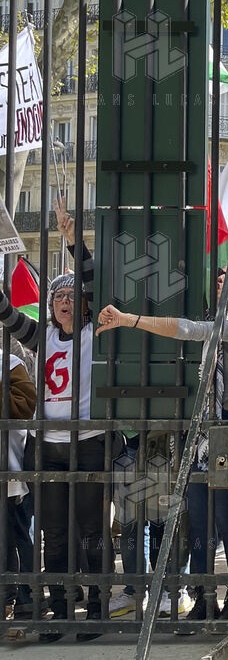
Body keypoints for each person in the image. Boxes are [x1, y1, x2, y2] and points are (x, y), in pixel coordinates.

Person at [94, 266, 228, 623]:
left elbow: (189, 330)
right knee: (199, 520)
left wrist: (129, 319)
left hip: (227, 428)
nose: (221, 282)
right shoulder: (214, 316)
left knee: (227, 520)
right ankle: (204, 597)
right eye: (216, 278)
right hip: (198, 432)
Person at [0, 200, 105, 642]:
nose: (64, 301)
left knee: (92, 531)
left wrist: (74, 242)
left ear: (84, 305)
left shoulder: (95, 332)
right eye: (58, 296)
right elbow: (8, 316)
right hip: (48, 446)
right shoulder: (42, 336)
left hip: (90, 441)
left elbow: (94, 280)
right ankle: (60, 608)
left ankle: (96, 607)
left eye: (71, 296)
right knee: (55, 534)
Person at [2, 331, 35, 622]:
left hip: (8, 466)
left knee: (14, 534)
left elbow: (25, 405)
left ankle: (23, 598)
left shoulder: (10, 362)